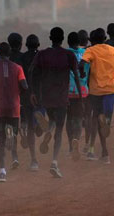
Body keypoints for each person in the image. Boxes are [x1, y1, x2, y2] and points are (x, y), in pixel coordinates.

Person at [28, 27, 81, 178]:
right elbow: (76, 75)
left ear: (50, 38)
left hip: (46, 96)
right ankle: (54, 163)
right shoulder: (68, 55)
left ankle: (47, 131)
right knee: (59, 129)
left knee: (51, 119)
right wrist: (81, 96)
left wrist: (33, 92)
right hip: (62, 97)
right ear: (62, 39)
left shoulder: (42, 54)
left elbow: (32, 71)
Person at [79, 28, 114, 163]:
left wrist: (83, 73)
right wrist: (113, 75)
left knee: (95, 117)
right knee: (106, 116)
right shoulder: (113, 50)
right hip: (110, 89)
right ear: (104, 38)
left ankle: (104, 153)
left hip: (95, 90)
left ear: (93, 40)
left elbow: (82, 63)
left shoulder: (91, 50)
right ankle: (106, 120)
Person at [0, 42, 28, 183]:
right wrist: (17, 94)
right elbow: (25, 86)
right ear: (9, 54)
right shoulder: (18, 68)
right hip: (14, 107)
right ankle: (13, 139)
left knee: (1, 139)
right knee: (13, 134)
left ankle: (2, 171)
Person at [20, 34, 42, 170]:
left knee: (30, 128)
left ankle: (34, 160)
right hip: (40, 93)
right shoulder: (42, 56)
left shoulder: (22, 58)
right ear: (38, 45)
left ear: (26, 45)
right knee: (40, 113)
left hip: (26, 94)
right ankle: (40, 122)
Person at [66, 32, 89, 161]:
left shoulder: (64, 54)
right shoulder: (86, 53)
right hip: (83, 91)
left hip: (68, 91)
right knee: (79, 119)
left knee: (69, 119)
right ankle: (77, 140)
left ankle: (70, 147)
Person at [5, 33, 25, 168]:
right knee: (18, 122)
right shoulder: (22, 58)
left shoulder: (4, 59)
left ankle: (8, 131)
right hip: (18, 95)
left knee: (7, 121)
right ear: (21, 43)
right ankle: (15, 158)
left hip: (3, 95)